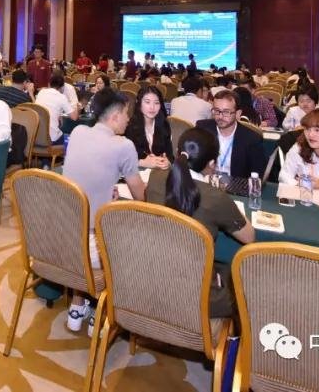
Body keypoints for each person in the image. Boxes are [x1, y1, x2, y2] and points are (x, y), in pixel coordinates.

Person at [62, 88, 145, 332]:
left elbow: (86, 175)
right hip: (93, 248)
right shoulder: (124, 145)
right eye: (127, 114)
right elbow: (140, 195)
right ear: (115, 116)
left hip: (63, 236)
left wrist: (107, 191)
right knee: (138, 239)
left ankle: (77, 305)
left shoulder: (78, 132)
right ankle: (102, 311)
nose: (129, 119)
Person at [144, 146, 255, 317]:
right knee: (247, 286)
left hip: (152, 280)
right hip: (198, 298)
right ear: (211, 164)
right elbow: (249, 237)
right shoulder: (215, 196)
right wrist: (233, 207)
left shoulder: (155, 177)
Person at [195, 90, 267, 178]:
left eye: (226, 112)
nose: (220, 116)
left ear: (238, 114)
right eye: (216, 110)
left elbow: (257, 175)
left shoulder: (252, 139)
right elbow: (193, 162)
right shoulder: (202, 129)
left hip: (235, 184)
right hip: (206, 181)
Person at [123, 85, 172, 169]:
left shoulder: (164, 124)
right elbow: (121, 158)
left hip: (157, 172)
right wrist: (142, 163)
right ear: (139, 103)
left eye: (156, 103)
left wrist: (168, 162)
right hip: (135, 172)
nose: (152, 107)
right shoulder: (128, 126)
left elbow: (170, 155)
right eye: (147, 102)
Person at [34, 74, 78, 144]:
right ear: (62, 87)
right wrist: (75, 103)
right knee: (73, 139)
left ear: (49, 84)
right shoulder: (61, 97)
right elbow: (74, 117)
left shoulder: (41, 92)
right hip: (51, 139)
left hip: (36, 136)